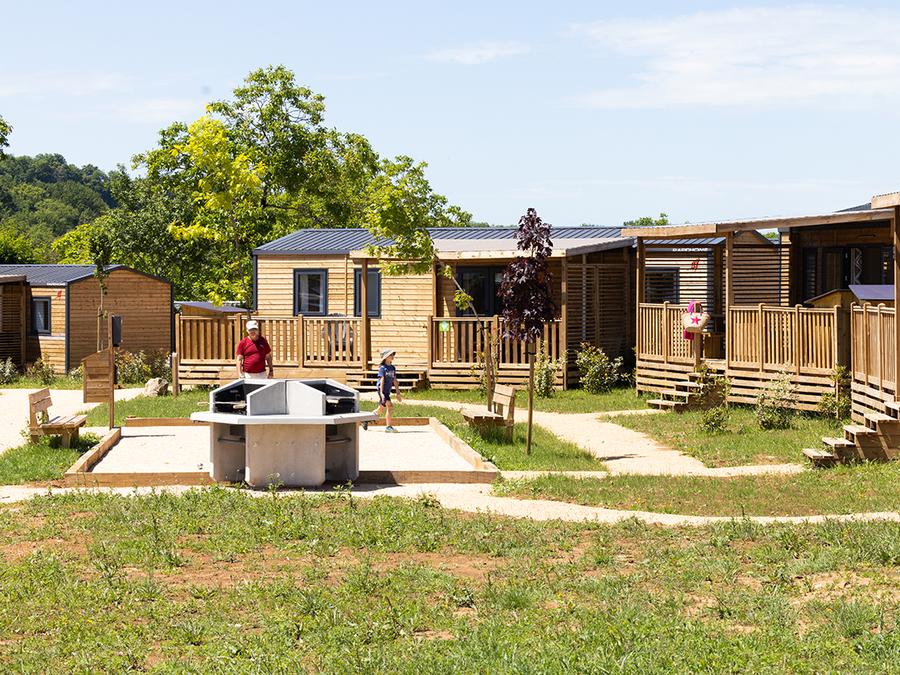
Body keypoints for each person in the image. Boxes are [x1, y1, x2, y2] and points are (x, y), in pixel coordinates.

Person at [372, 348, 401, 432]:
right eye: (391, 355)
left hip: (387, 390)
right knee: (390, 406)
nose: (393, 356)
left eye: (393, 354)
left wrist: (398, 393)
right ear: (386, 357)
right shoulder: (382, 368)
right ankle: (388, 427)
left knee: (381, 408)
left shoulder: (392, 368)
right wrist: (381, 393)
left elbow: (394, 380)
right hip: (382, 390)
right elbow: (382, 380)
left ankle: (367, 418)